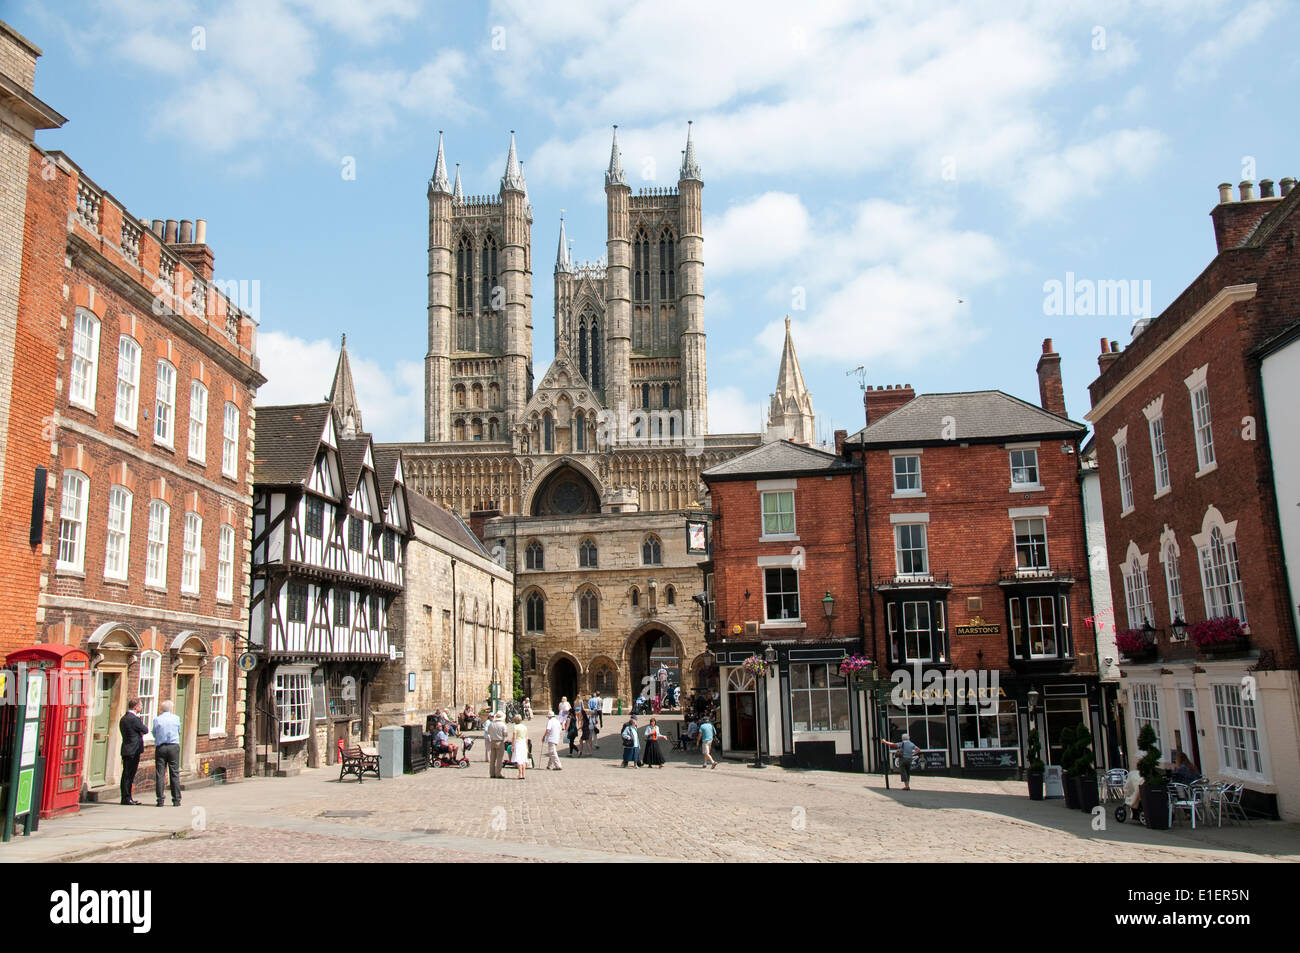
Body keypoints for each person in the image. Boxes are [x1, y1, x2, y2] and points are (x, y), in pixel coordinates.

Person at [152, 699, 183, 806]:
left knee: (160, 774)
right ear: (171, 709)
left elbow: (154, 733)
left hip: (161, 747)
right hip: (173, 746)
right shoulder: (176, 718)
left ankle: (160, 800)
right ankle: (176, 800)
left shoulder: (157, 719)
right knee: (174, 772)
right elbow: (179, 731)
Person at [118, 698, 148, 805]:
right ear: (135, 707)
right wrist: (140, 733)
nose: (141, 707)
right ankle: (127, 798)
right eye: (140, 705)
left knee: (126, 774)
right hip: (134, 750)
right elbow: (145, 730)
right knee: (129, 775)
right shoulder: (134, 719)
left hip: (126, 748)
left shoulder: (124, 718)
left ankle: (126, 797)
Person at [487, 711, 510, 778]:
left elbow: (488, 732)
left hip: (493, 741)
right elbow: (505, 734)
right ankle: (498, 773)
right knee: (499, 759)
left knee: (492, 759)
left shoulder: (491, 724)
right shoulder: (503, 725)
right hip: (500, 741)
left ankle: (492, 773)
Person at [512, 715, 528, 780]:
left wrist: (512, 745)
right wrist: (526, 745)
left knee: (519, 758)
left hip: (518, 742)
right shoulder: (524, 727)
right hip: (523, 742)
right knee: (523, 758)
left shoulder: (515, 727)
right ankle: (524, 774)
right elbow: (527, 737)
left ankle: (520, 774)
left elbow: (514, 737)